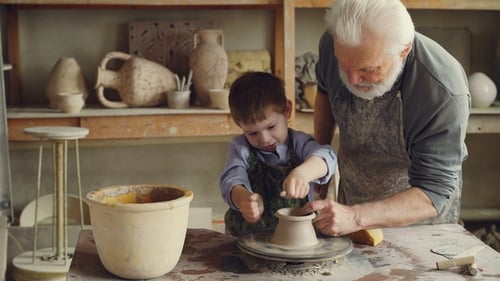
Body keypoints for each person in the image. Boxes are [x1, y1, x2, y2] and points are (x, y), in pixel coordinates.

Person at [302, 0, 470, 237]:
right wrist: (320, 155)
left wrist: (356, 216)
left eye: (368, 70)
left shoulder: (442, 89)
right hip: (353, 198)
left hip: (419, 222)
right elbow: (325, 92)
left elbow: (432, 191)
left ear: (404, 50)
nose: (352, 80)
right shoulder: (333, 44)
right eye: (344, 65)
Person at [220, 71, 337, 236]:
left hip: (295, 236)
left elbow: (328, 157)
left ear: (287, 110)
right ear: (240, 126)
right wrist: (244, 199)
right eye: (252, 133)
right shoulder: (240, 147)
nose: (265, 139)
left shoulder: (298, 143)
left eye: (271, 127)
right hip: (248, 237)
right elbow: (231, 180)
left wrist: (302, 174)